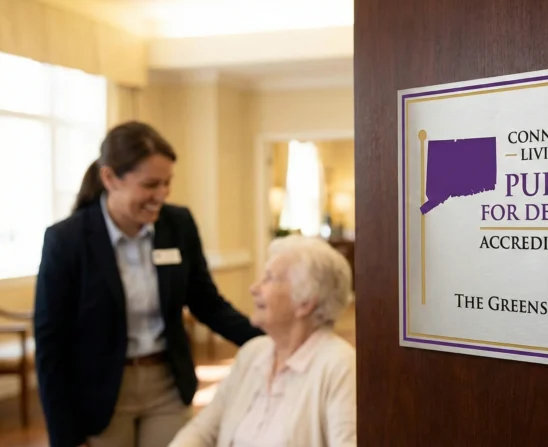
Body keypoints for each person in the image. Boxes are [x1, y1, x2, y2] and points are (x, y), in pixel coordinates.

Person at [33, 121, 264, 447]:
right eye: (150, 184)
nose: (162, 195)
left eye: (167, 183)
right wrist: (63, 437)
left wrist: (267, 340)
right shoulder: (66, 240)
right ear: (110, 178)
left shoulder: (178, 225)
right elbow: (51, 343)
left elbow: (206, 302)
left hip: (167, 385)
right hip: (99, 393)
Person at [169, 235, 356, 447]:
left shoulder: (339, 365)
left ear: (305, 303)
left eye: (269, 278)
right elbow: (202, 430)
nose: (254, 288)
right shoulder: (253, 352)